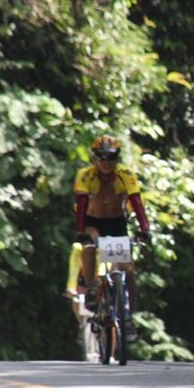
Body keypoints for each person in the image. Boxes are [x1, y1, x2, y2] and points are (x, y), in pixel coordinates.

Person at [73, 136, 151, 337]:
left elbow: (136, 200)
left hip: (116, 223)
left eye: (111, 157)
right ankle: (91, 287)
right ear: (95, 158)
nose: (106, 162)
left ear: (117, 159)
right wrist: (81, 231)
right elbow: (81, 205)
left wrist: (144, 228)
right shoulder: (85, 175)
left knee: (128, 271)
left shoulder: (124, 175)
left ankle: (127, 318)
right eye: (102, 157)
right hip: (93, 221)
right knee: (90, 242)